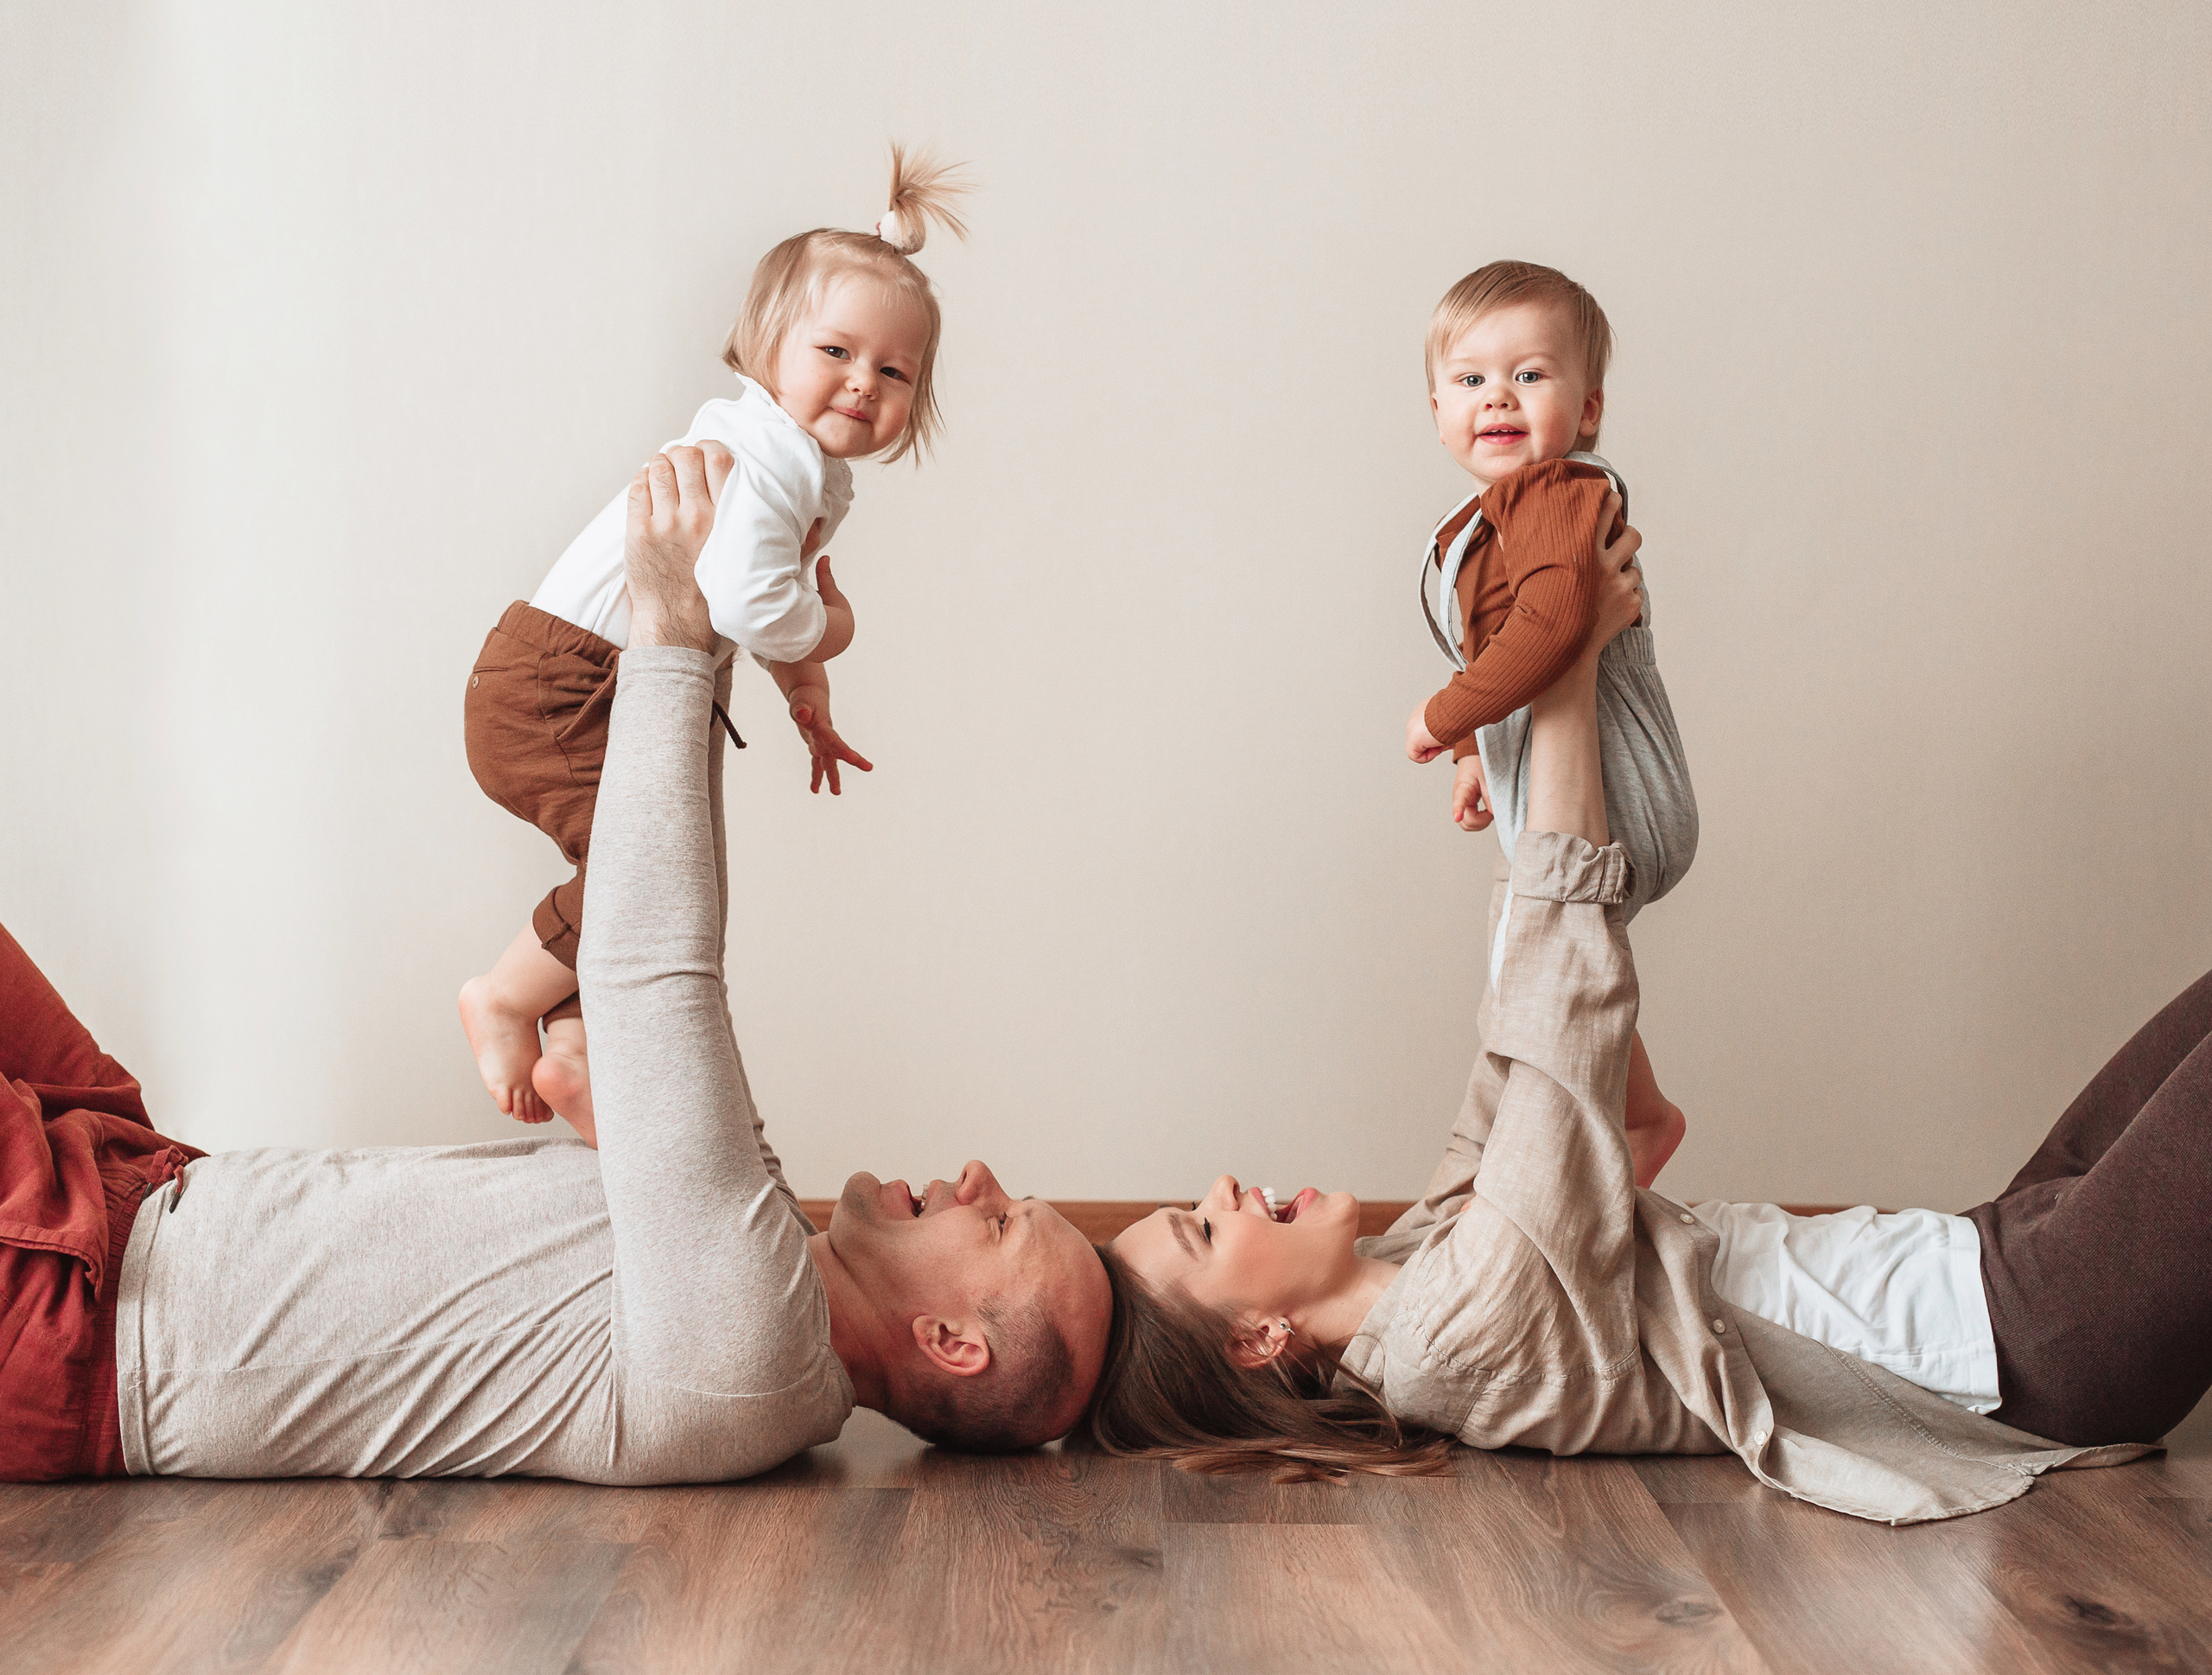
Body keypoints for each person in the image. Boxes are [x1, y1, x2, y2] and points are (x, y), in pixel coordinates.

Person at [0, 443, 1109, 1484]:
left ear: (950, 1342)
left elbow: (654, 975)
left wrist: (674, 628)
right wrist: (717, 620)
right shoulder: (768, 1253)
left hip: (71, 1305)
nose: (978, 1178)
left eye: (1002, 1222)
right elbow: (635, 959)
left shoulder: (755, 1353)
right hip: (129, 1179)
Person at [1092, 536, 2193, 1524]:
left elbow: (1517, 1041)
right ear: (1255, 1340)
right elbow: (1565, 1031)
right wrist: (1559, 659)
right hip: (2033, 1340)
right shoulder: (1457, 1336)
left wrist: (1515, 725)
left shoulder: (1417, 1262)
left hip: (1989, 1253)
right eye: (1201, 1230)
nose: (1223, 1186)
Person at [459, 145, 969, 1142]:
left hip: (590, 678)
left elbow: (769, 600)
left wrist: (806, 696)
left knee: (658, 881)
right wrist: (836, 630)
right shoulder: (768, 458)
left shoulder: (806, 473)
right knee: (638, 877)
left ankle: (579, 1045)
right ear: (767, 344)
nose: (864, 383)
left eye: (894, 370)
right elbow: (752, 598)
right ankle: (506, 999)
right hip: (559, 684)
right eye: (836, 352)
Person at [1403, 260, 1697, 1187]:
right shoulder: (1490, 518)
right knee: (1520, 967)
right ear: (1437, 410)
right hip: (1558, 787)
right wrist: (1473, 756)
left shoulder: (1560, 498)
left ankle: (1621, 1130)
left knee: (1535, 963)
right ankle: (1637, 1115)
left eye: (1529, 375)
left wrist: (1438, 718)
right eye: (1470, 380)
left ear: (1589, 408)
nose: (1498, 397)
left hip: (1621, 793)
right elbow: (1498, 648)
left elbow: (1551, 627)